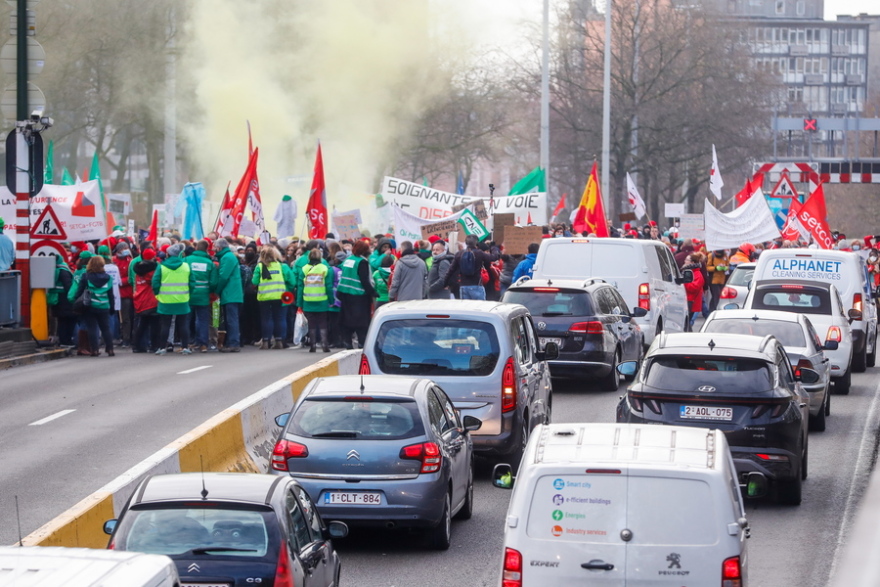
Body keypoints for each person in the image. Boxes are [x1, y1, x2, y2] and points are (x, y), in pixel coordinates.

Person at [152, 243, 194, 355]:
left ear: (168, 254)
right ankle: (185, 347)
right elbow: (192, 283)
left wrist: (157, 295)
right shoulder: (186, 266)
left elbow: (155, 282)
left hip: (165, 300)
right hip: (182, 299)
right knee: (183, 324)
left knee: (165, 325)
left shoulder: (161, 266)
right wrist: (188, 293)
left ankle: (162, 348)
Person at [72, 255, 116, 357]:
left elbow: (79, 292)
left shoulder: (85, 276)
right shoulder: (108, 278)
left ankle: (94, 350)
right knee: (106, 328)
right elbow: (111, 295)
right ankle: (110, 349)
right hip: (104, 306)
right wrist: (112, 308)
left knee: (92, 328)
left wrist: (76, 302)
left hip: (90, 306)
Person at [338, 239, 377, 349]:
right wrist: (373, 292)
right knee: (361, 323)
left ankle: (348, 343)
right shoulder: (362, 262)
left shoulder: (348, 260)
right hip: (359, 296)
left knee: (347, 322)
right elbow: (364, 280)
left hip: (345, 295)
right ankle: (361, 344)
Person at [299, 247, 334, 353]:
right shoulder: (325, 268)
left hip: (308, 300)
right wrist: (331, 300)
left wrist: (299, 302)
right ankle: (324, 344)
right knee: (323, 323)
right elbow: (328, 286)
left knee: (311, 323)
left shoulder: (304, 269)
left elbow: (300, 286)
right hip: (322, 300)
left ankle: (312, 345)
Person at [444, 234, 500, 300]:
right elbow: (494, 257)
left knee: (466, 308)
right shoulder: (479, 253)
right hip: (476, 285)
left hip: (463, 286)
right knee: (479, 308)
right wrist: (493, 247)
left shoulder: (459, 254)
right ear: (476, 243)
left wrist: (445, 283)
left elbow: (451, 270)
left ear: (466, 242)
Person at [186, 240, 218, 352]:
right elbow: (213, 282)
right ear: (206, 249)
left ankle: (187, 343)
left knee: (186, 320)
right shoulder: (209, 263)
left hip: (188, 295)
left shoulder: (187, 260)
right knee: (203, 320)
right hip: (204, 295)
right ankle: (203, 344)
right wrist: (211, 291)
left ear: (196, 248)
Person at [252, 246, 286, 349]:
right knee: (279, 318)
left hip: (265, 296)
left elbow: (254, 282)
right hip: (279, 295)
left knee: (266, 319)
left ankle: (266, 342)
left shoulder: (260, 267)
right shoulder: (280, 265)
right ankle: (279, 341)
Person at [215, 238, 244, 353]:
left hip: (230, 293)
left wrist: (217, 290)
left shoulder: (227, 257)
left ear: (219, 247)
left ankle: (233, 343)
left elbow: (223, 276)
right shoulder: (229, 256)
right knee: (231, 319)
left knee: (231, 319)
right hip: (233, 292)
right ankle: (232, 342)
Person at [132, 248, 161, 353]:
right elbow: (156, 283)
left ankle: (136, 346)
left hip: (140, 300)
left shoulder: (138, 270)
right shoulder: (152, 272)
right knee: (154, 325)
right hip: (151, 300)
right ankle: (154, 346)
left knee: (142, 325)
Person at [48, 253, 76, 346]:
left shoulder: (53, 270)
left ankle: (62, 340)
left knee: (61, 321)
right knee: (68, 321)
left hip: (56, 299)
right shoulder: (64, 271)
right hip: (65, 300)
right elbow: (68, 286)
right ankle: (67, 340)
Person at [113, 242, 134, 346]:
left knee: (126, 318)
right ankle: (117, 336)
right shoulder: (113, 261)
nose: (127, 249)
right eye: (124, 248)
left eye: (127, 247)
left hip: (126, 294)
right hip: (115, 294)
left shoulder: (130, 261)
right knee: (116, 317)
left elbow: (131, 277)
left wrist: (121, 281)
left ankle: (126, 338)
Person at [682, 254, 705, 332]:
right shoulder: (690, 272)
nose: (685, 261)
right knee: (686, 323)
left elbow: (693, 288)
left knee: (687, 322)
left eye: (687, 260)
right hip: (688, 299)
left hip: (691, 301)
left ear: (692, 262)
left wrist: (684, 282)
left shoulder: (697, 274)